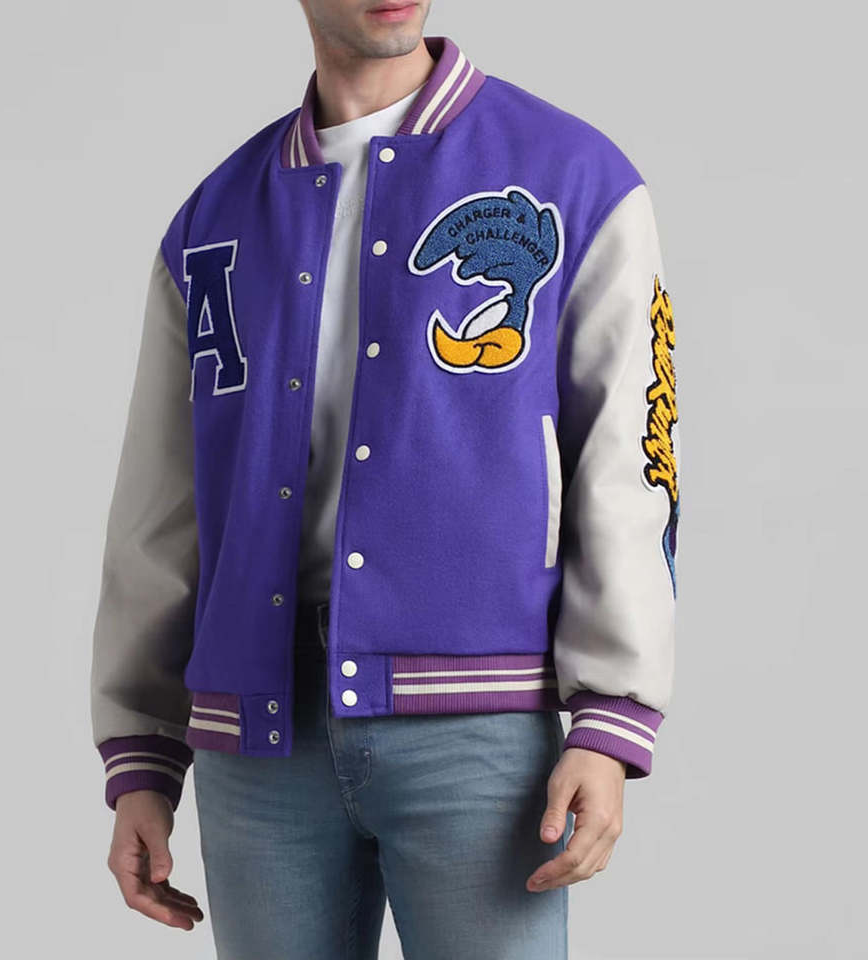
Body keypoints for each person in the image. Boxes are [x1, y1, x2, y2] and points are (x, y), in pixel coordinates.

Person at [90, 2, 680, 957]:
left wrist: (611, 714)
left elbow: (628, 464)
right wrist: (142, 755)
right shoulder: (212, 221)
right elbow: (160, 503)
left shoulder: (576, 179)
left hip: (480, 730)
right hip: (260, 739)